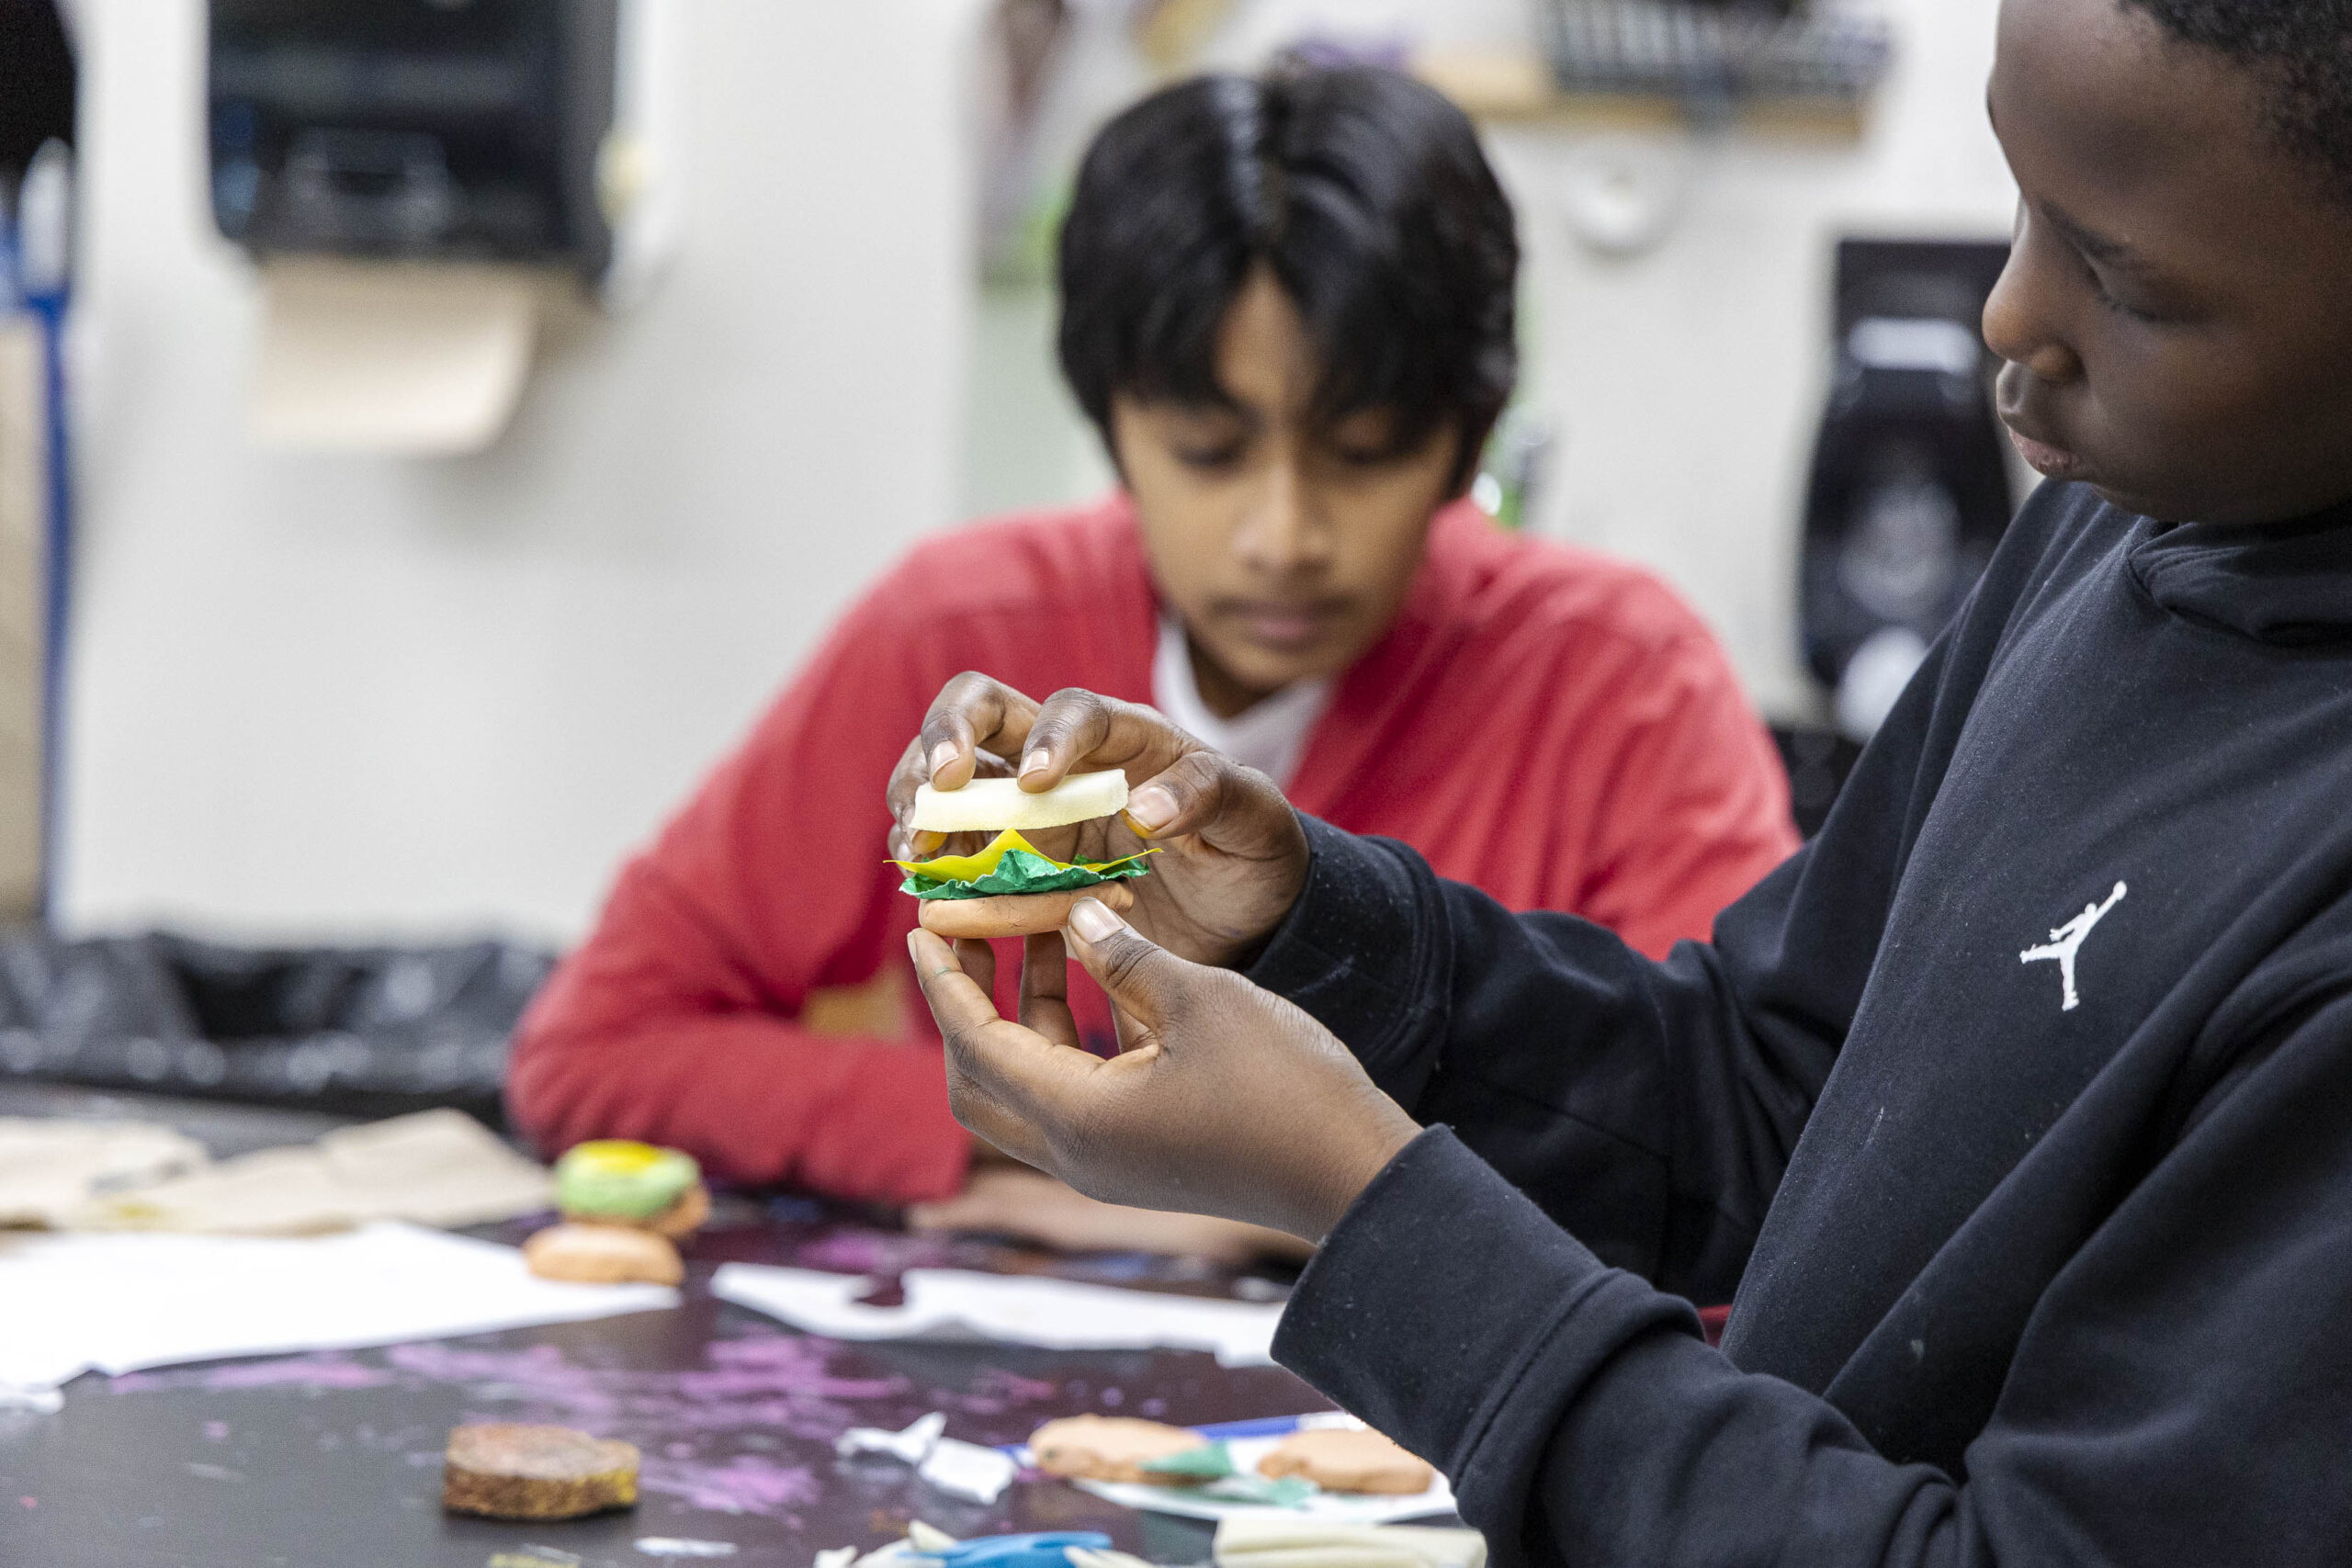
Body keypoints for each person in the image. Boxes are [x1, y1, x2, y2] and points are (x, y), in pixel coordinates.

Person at [898, 0, 2352, 1556]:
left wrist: (1367, 1200)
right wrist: (1315, 936)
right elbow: (1773, 1089)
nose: (2009, 314)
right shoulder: (2124, 522)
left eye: (2126, 283)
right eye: (2023, 201)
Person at [506, 66, 1796, 1235]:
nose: (1283, 536)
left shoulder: (1621, 678)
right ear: (1109, 419)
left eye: (1363, 454)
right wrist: (1024, 1136)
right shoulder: (957, 631)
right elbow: (591, 1047)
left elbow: (1757, 1163)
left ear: (1466, 441)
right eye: (1208, 452)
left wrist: (1262, 1188)